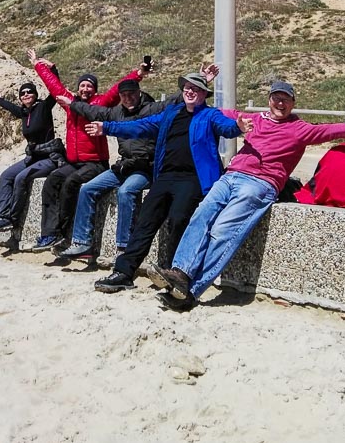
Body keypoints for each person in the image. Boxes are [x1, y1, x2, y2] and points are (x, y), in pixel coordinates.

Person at [150, 80, 345, 311]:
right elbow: (218, 113)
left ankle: (192, 291)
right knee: (200, 217)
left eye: (285, 99)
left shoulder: (300, 129)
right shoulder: (255, 119)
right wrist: (201, 89)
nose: (280, 103)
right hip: (230, 176)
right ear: (269, 100)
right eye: (276, 98)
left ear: (293, 103)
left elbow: (330, 131)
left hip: (259, 184)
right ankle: (180, 273)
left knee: (222, 231)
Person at [87, 70, 253, 293]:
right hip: (164, 176)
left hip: (193, 179)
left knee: (178, 219)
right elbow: (141, 125)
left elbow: (226, 127)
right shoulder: (170, 114)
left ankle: (174, 273)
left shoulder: (209, 115)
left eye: (196, 89)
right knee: (145, 222)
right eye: (187, 87)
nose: (190, 91)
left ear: (204, 93)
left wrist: (237, 128)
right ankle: (124, 272)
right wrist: (107, 128)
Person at [57, 62, 221, 262]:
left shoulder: (152, 109)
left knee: (126, 191)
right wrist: (71, 104)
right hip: (123, 165)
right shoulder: (115, 113)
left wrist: (202, 80)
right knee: (87, 189)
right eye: (124, 95)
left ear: (139, 93)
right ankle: (82, 242)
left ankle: (123, 247)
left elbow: (178, 99)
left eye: (132, 94)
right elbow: (92, 111)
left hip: (145, 167)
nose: (128, 98)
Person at [26, 48, 144, 252]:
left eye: (89, 86)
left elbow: (116, 90)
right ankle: (49, 234)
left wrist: (138, 74)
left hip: (95, 163)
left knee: (71, 183)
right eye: (82, 85)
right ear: (78, 88)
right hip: (74, 162)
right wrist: (38, 64)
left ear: (95, 90)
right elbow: (53, 86)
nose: (85, 89)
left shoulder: (101, 103)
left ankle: (63, 232)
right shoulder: (69, 103)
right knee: (52, 180)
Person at [0, 80, 62, 234]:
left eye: (29, 92)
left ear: (35, 94)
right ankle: (3, 216)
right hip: (33, 157)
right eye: (22, 93)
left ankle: (12, 219)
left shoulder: (44, 107)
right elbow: (12, 108)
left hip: (49, 158)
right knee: (6, 176)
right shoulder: (24, 113)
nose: (26, 95)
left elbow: (55, 90)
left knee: (21, 178)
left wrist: (52, 70)